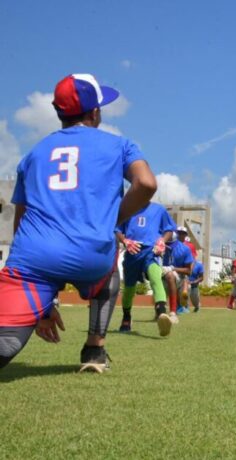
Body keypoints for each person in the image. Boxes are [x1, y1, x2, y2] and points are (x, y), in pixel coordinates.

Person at [0, 73, 157, 372]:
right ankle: (94, 350)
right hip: (91, 257)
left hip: (33, 257)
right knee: (109, 275)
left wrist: (42, 307)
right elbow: (146, 183)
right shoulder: (120, 145)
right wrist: (113, 219)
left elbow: (21, 218)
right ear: (94, 112)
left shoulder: (33, 154)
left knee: (5, 343)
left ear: (59, 112)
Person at [117, 203, 175, 335]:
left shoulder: (159, 210)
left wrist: (162, 240)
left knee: (155, 277)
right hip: (132, 251)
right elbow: (117, 229)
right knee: (129, 288)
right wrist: (125, 241)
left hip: (151, 251)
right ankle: (126, 317)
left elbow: (169, 230)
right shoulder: (127, 207)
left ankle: (162, 314)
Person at [163, 235, 194, 322]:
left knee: (171, 275)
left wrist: (172, 268)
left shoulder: (185, 248)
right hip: (162, 274)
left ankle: (174, 311)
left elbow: (189, 270)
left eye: (182, 233)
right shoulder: (158, 245)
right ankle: (160, 310)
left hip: (179, 276)